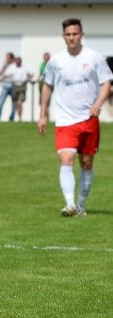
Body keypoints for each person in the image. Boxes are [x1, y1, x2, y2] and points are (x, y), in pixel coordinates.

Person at [37, 18, 112, 217]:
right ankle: (69, 204)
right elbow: (47, 86)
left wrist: (98, 104)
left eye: (75, 34)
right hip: (65, 120)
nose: (71, 38)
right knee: (66, 158)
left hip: (89, 119)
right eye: (68, 34)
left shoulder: (94, 57)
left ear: (82, 35)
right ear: (64, 36)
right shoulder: (55, 61)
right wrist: (43, 113)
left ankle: (80, 204)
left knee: (86, 163)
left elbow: (107, 83)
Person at [6, 56, 33, 122]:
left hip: (22, 87)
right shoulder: (12, 68)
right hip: (15, 87)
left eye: (18, 61)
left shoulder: (25, 67)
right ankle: (14, 117)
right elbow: (6, 74)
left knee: (20, 102)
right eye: (16, 61)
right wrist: (1, 77)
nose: (17, 62)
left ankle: (20, 118)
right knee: (15, 104)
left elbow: (31, 74)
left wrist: (27, 79)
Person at [0, 52, 16, 121]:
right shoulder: (5, 65)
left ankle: (11, 119)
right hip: (5, 86)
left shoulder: (14, 65)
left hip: (13, 86)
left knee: (14, 104)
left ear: (11, 58)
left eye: (8, 57)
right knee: (0, 103)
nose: (6, 59)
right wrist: (4, 66)